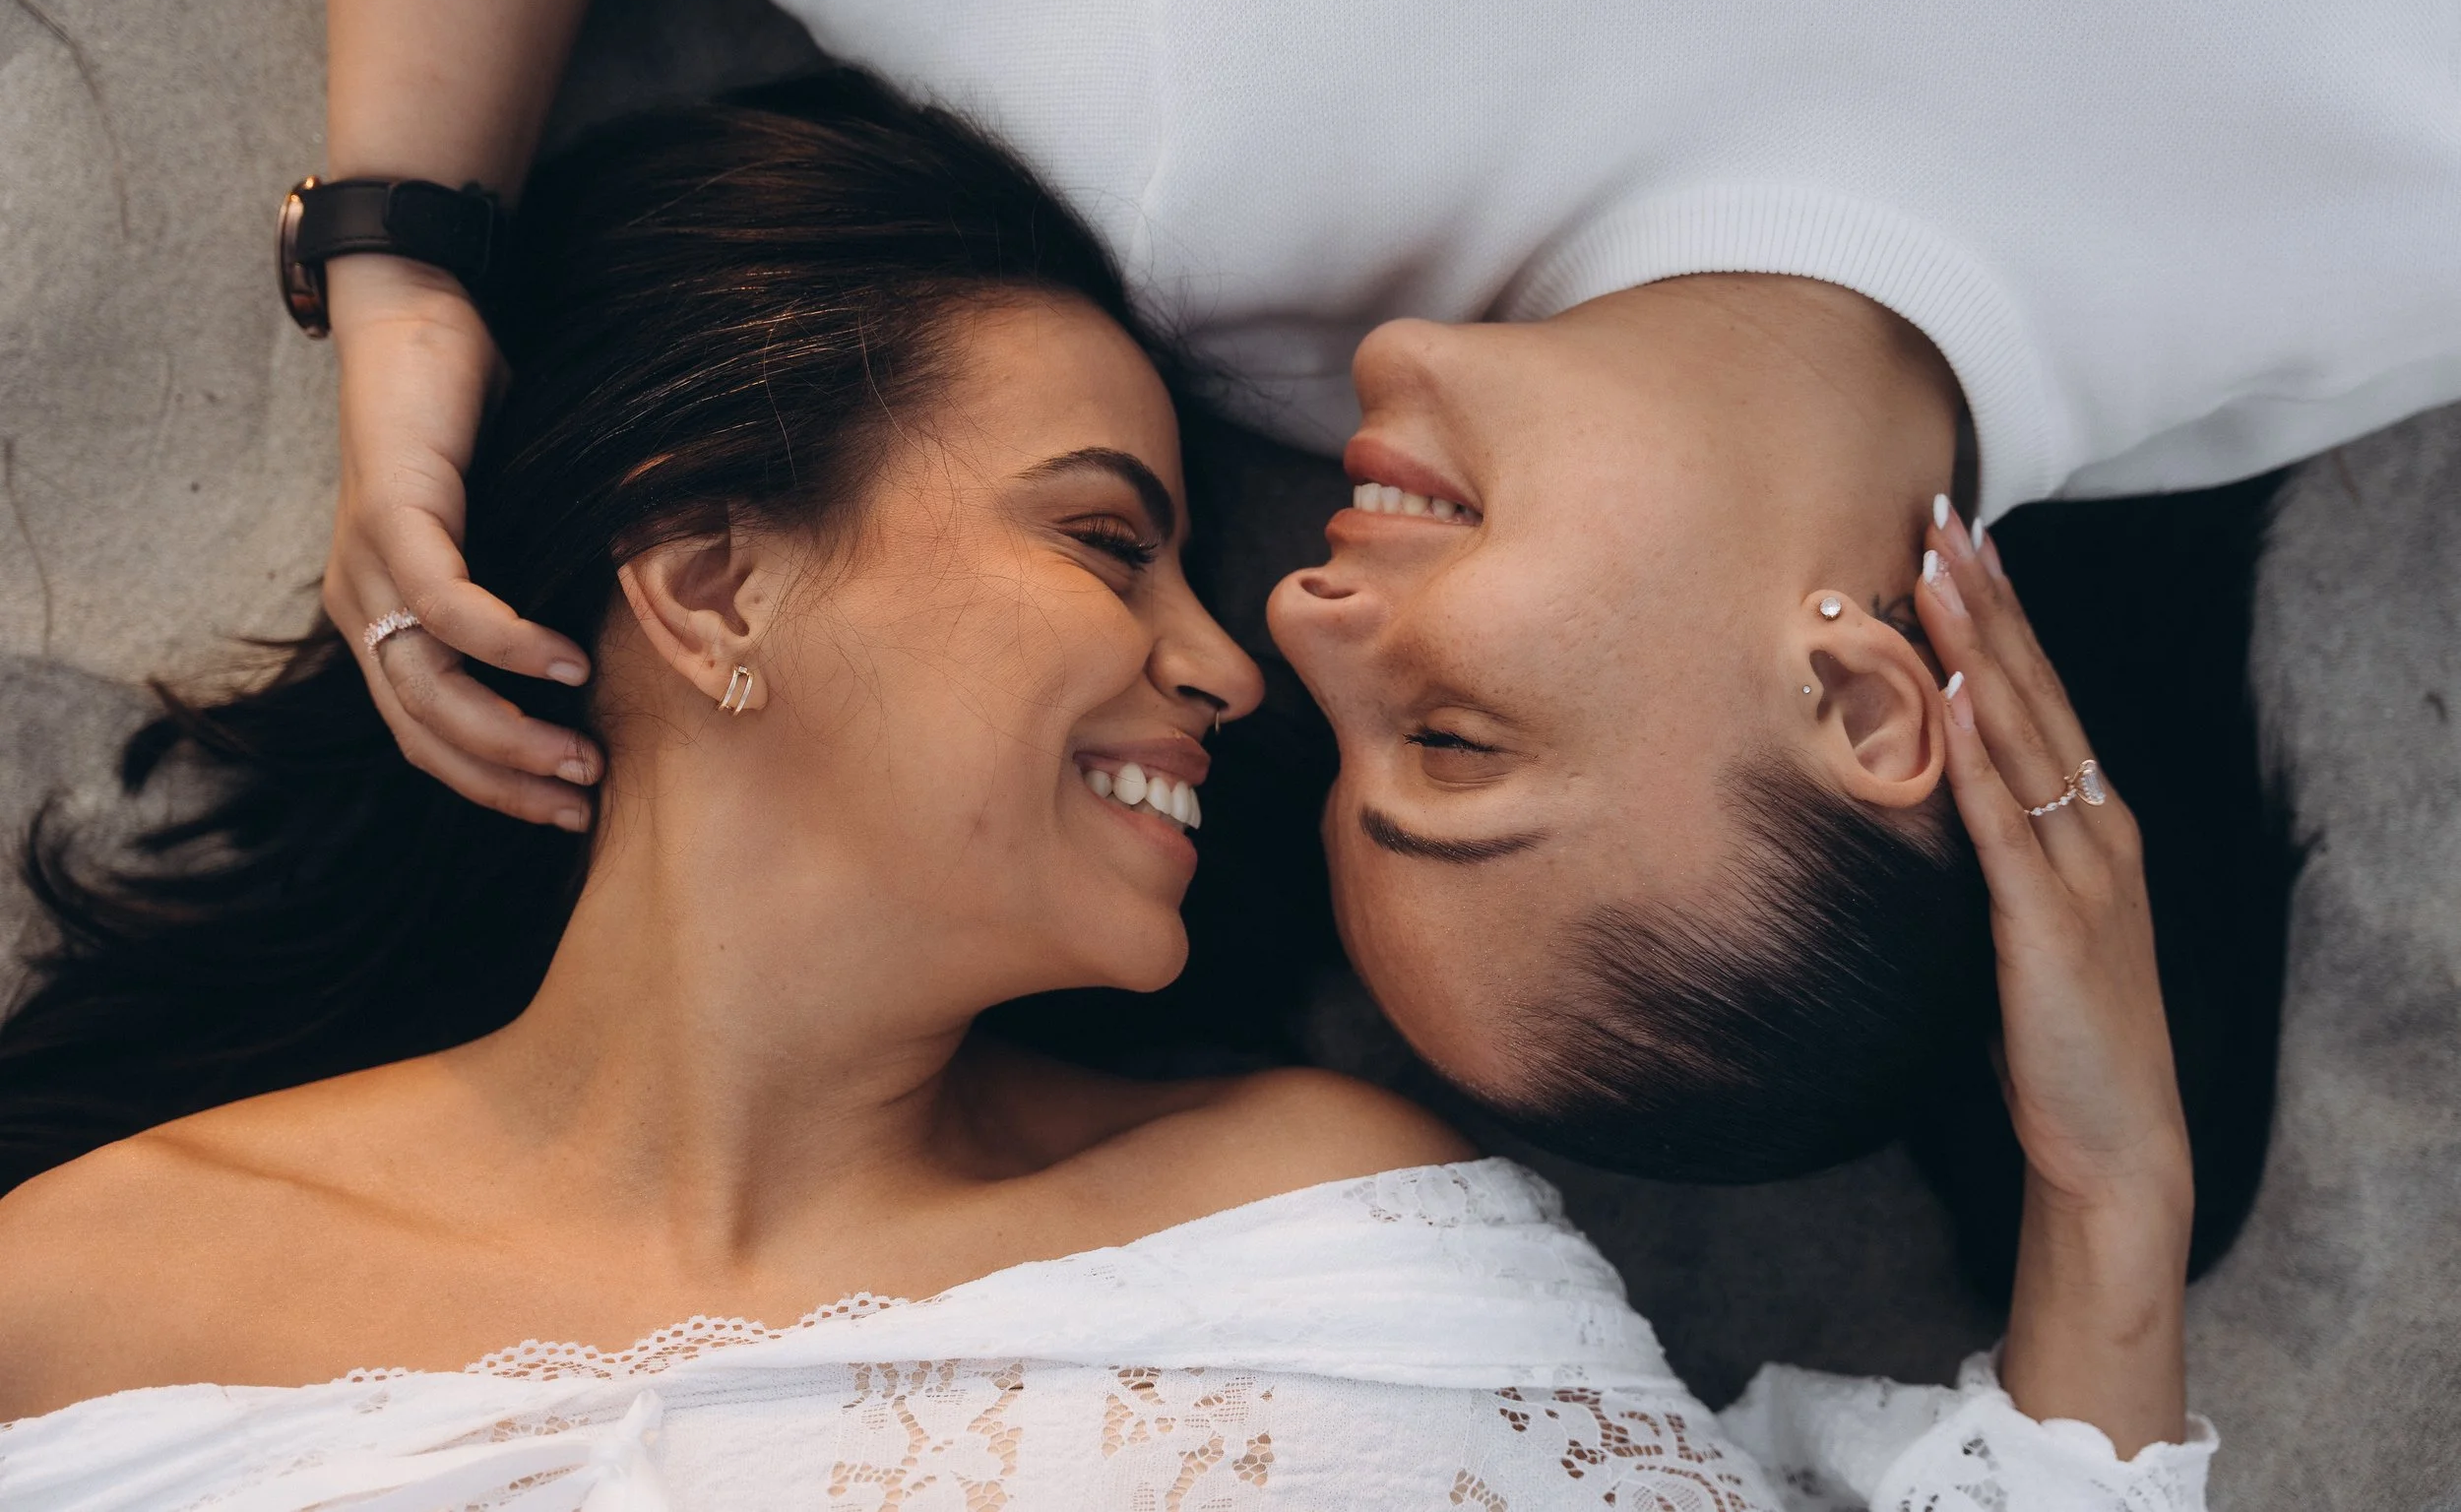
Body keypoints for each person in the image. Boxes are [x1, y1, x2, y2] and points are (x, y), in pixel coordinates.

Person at [0, 74, 2206, 1506]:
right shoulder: (80, 1305)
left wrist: (2104, 1202)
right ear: (702, 582)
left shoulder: (1333, 1230)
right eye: (1097, 534)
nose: (1228, 660)